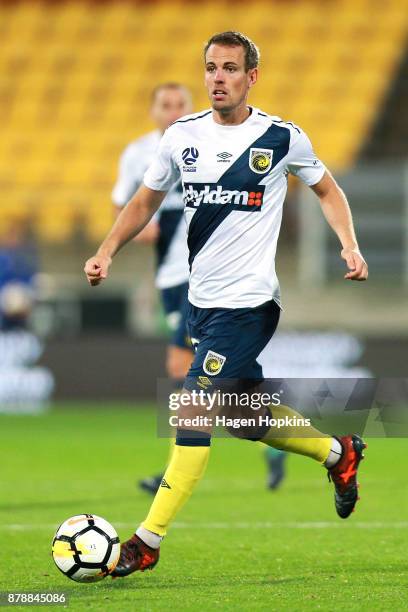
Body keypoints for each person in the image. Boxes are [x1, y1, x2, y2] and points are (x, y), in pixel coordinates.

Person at [84, 31, 368, 578]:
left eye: (230, 68)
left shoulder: (282, 137)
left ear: (251, 77)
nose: (218, 78)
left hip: (249, 305)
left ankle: (147, 541)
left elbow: (328, 190)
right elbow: (145, 199)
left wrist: (348, 243)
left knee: (191, 413)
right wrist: (106, 249)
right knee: (242, 415)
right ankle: (339, 453)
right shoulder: (180, 137)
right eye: (211, 68)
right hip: (203, 305)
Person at [112, 83, 194, 494]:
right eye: (166, 104)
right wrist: (139, 233)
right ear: (153, 111)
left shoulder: (207, 143)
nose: (174, 111)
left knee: (183, 369)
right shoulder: (138, 153)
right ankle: (282, 443)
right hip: (168, 274)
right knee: (221, 378)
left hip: (198, 274)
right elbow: (123, 204)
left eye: (181, 104)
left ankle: (175, 472)